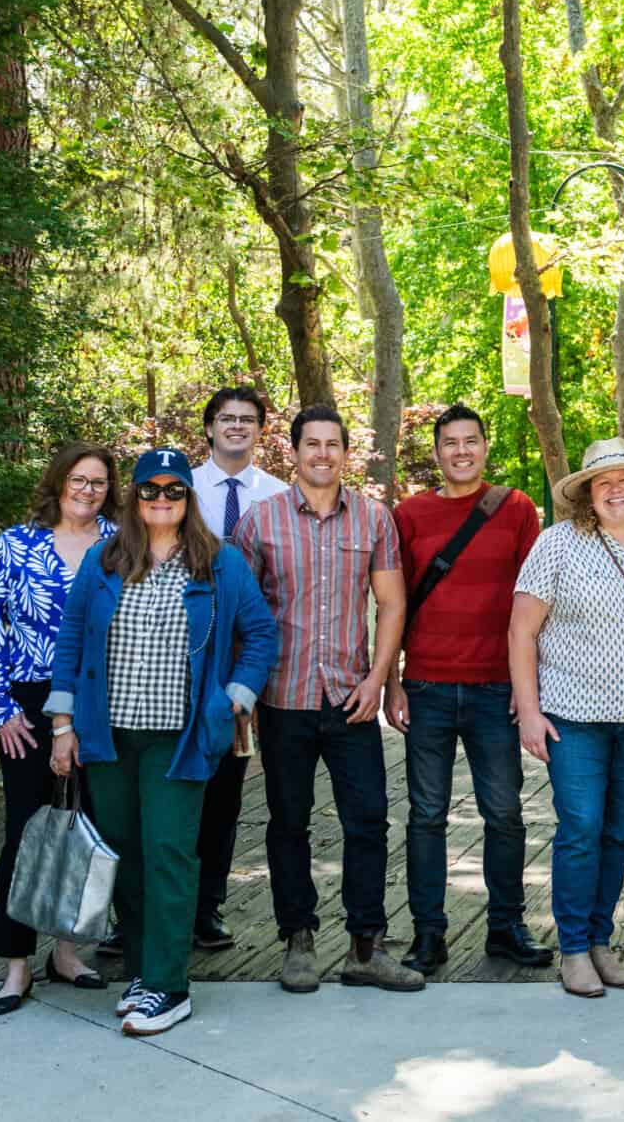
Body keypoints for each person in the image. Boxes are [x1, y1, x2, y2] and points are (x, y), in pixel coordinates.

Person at [45, 447, 275, 1037]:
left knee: (169, 852)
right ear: (136, 496)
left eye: (175, 490)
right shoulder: (104, 560)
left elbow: (260, 635)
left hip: (180, 738)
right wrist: (63, 726)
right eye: (151, 489)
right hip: (108, 736)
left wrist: (234, 698)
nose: (162, 499)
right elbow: (71, 640)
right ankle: (144, 974)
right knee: (125, 855)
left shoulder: (219, 564)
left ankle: (170, 987)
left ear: (188, 499)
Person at [233, 405, 420, 994]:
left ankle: (367, 947)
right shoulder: (260, 521)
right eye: (311, 444)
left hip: (350, 695)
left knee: (368, 821)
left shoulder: (373, 519)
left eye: (332, 444)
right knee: (288, 822)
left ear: (345, 452)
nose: (322, 453)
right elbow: (239, 612)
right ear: (293, 451)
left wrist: (379, 679)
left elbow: (392, 602)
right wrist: (243, 693)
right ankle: (298, 940)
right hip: (282, 697)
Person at [511, 437, 624, 999]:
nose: (614, 489)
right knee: (581, 829)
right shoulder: (557, 544)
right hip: (574, 716)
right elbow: (521, 631)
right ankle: (574, 949)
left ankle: (601, 941)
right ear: (587, 492)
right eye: (603, 481)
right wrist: (529, 711)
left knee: (617, 832)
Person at [388, 403, 549, 974]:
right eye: (450, 443)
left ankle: (506, 926)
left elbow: (534, 603)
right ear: (437, 452)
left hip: (495, 687)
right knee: (426, 815)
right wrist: (392, 684)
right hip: (426, 686)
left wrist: (528, 688)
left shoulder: (515, 509)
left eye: (470, 441)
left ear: (485, 446)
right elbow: (393, 604)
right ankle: (428, 934)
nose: (461, 451)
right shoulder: (409, 515)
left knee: (504, 812)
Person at [0, 442, 116, 1013]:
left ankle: (68, 953)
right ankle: (15, 966)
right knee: (25, 831)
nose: (87, 490)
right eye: (78, 479)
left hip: (99, 699)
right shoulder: (14, 545)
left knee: (89, 827)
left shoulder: (119, 544)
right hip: (28, 704)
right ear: (58, 482)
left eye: (98, 482)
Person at [185, 386, 290, 953]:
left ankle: (207, 906)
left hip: (245, 657)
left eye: (248, 419)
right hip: (180, 658)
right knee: (166, 783)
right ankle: (141, 908)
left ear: (260, 430)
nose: (236, 427)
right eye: (226, 418)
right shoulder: (177, 490)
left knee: (224, 790)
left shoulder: (277, 496)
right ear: (209, 428)